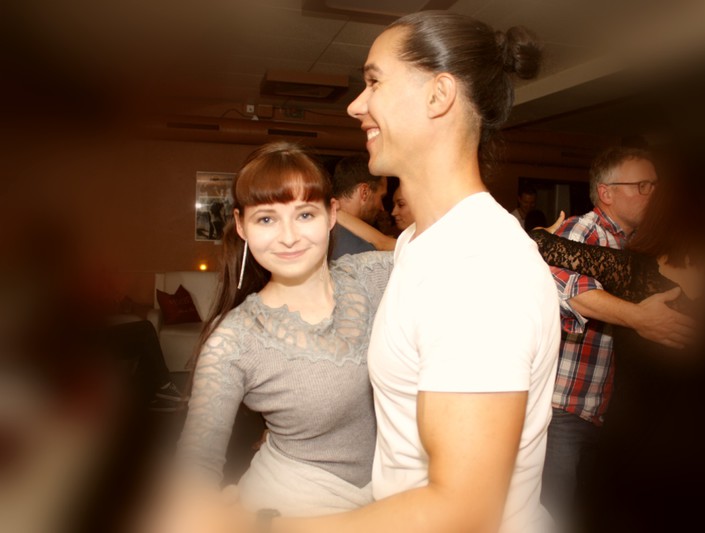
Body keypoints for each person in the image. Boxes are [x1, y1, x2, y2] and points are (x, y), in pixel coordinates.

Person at [144, 11, 560, 533]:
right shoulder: (416, 246)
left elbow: (462, 514)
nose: (355, 104)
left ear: (438, 95)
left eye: (374, 82)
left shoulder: (475, 270)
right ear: (242, 227)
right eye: (267, 218)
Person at [167, 142, 393, 518]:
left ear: (332, 214)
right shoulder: (234, 339)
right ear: (242, 226)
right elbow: (196, 465)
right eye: (266, 219)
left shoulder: (372, 277)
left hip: (394, 498)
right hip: (289, 509)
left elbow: (457, 250)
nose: (288, 237)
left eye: (304, 214)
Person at [540, 146, 695, 530]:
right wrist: (638, 318)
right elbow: (566, 287)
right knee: (555, 514)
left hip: (609, 411)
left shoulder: (641, 247)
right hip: (567, 406)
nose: (651, 193)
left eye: (655, 185)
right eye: (642, 185)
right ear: (606, 192)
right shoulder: (584, 230)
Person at [329, 153, 388, 259]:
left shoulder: (320, 229)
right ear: (364, 192)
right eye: (381, 197)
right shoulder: (363, 251)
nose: (382, 208)